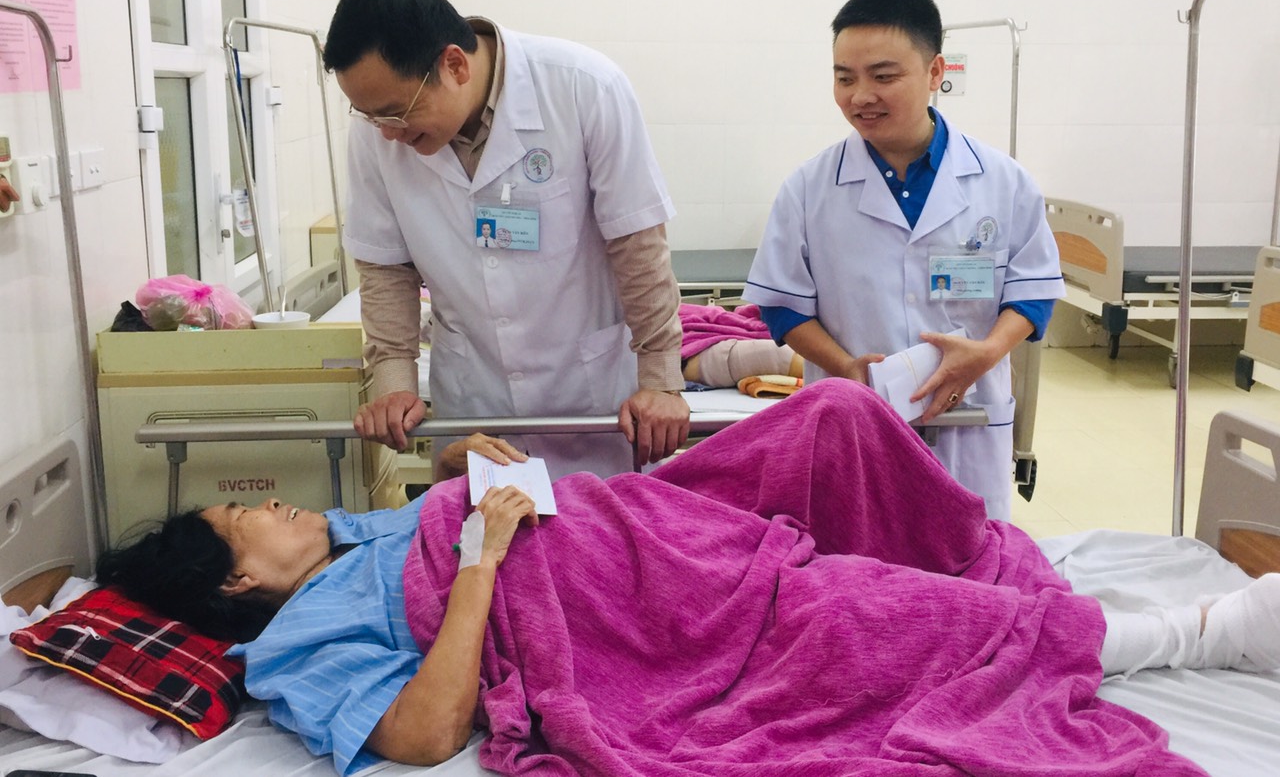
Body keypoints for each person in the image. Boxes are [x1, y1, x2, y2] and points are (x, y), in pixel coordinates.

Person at [97, 382, 1280, 777]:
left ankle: (978, 568)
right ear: (235, 584)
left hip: (630, 519)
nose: (272, 503)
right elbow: (421, 733)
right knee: (847, 616)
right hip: (619, 601)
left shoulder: (353, 533)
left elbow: (458, 506)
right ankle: (1196, 631)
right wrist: (478, 562)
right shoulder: (293, 647)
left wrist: (459, 473)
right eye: (245, 519)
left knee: (834, 418)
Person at [322, 0, 689, 476]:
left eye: (397, 114)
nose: (387, 134)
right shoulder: (378, 131)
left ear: (454, 64)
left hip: (588, 399)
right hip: (475, 407)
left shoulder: (584, 87)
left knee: (598, 522)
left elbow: (637, 244)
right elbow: (386, 268)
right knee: (480, 525)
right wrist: (393, 382)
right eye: (371, 117)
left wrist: (662, 380)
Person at [742, 0, 1065, 520]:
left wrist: (986, 354)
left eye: (883, 76)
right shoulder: (808, 189)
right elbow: (782, 306)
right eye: (845, 78)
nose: (860, 96)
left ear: (936, 72)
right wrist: (845, 367)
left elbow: (1032, 295)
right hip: (855, 426)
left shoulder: (1004, 183)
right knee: (858, 555)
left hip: (968, 427)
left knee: (969, 557)